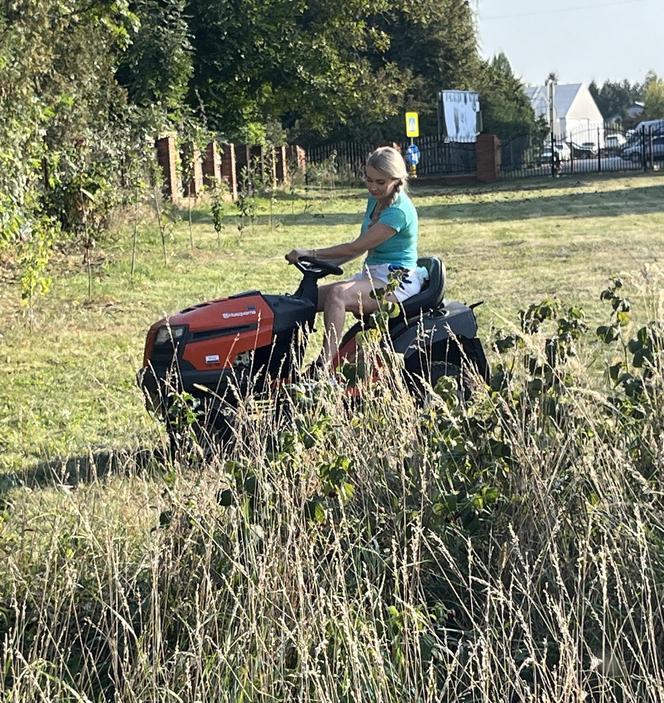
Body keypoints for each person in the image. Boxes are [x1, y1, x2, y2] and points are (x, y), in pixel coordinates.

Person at [286, 145, 426, 366]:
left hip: (396, 280)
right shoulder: (376, 200)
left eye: (381, 182)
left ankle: (324, 367)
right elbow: (360, 249)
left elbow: (354, 247)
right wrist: (317, 263)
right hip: (373, 273)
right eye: (369, 180)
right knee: (305, 298)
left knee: (338, 295)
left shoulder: (398, 211)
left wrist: (309, 253)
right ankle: (285, 364)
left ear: (396, 180)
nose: (373, 187)